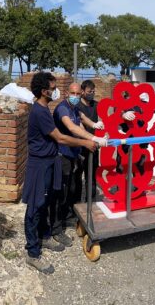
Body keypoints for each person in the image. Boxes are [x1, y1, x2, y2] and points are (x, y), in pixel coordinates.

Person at [23, 72, 99, 274]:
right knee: (35, 206)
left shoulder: (44, 108)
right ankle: (32, 252)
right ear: (43, 90)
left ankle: (45, 235)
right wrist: (86, 142)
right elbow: (61, 138)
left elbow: (79, 125)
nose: (55, 90)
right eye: (53, 87)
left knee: (46, 202)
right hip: (39, 165)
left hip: (49, 162)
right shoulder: (39, 112)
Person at [52, 82, 108, 243]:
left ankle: (68, 217)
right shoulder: (63, 108)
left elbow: (82, 122)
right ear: (66, 93)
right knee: (61, 192)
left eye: (77, 94)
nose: (76, 97)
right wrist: (93, 138)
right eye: (73, 93)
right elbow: (72, 128)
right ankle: (56, 228)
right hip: (62, 155)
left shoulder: (74, 108)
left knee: (72, 187)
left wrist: (96, 126)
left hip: (72, 154)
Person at [77, 80, 103, 202]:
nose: (91, 94)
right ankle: (75, 206)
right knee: (76, 177)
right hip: (80, 146)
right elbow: (79, 124)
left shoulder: (96, 105)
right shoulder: (77, 106)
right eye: (89, 92)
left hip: (94, 146)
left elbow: (106, 117)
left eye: (93, 92)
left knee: (91, 176)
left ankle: (90, 203)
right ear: (82, 92)